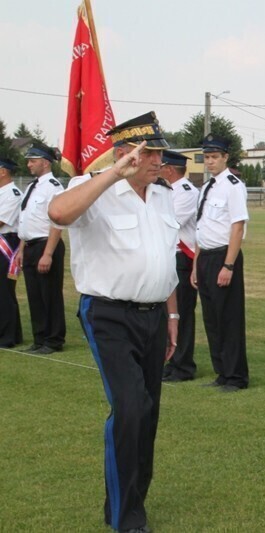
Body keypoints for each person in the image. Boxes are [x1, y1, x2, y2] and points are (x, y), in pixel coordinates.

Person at [48, 111, 179, 532]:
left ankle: (130, 499)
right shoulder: (89, 188)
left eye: (160, 151)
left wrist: (172, 314)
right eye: (150, 152)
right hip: (108, 314)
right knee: (130, 406)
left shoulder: (163, 195)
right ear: (125, 154)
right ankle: (126, 517)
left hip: (155, 314)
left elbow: (164, 260)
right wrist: (111, 175)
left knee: (148, 412)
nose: (160, 159)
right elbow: (59, 214)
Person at [192, 134, 249, 392]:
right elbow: (201, 227)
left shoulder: (233, 185)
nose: (210, 162)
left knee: (228, 318)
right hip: (206, 256)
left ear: (226, 157)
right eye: (207, 157)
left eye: (215, 157)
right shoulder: (207, 187)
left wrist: (228, 265)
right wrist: (196, 265)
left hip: (224, 255)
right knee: (212, 319)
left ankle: (236, 376)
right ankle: (221, 373)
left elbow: (237, 227)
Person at [15, 141, 66, 355]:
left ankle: (53, 340)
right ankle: (39, 337)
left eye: (32, 161)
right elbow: (25, 220)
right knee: (35, 294)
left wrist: (48, 253)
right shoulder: (31, 186)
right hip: (30, 245)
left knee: (49, 294)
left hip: (46, 244)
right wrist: (21, 249)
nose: (29, 165)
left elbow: (57, 221)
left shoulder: (53, 187)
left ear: (45, 163)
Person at [160, 150, 199, 382]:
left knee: (182, 313)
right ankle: (172, 361)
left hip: (182, 257)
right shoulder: (168, 191)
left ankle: (183, 365)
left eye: (162, 165)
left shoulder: (186, 192)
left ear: (170, 169)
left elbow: (171, 223)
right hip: (168, 256)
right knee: (168, 313)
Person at [0, 157, 23, 348]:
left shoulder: (13, 194)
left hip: (6, 244)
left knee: (4, 291)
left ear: (3, 171)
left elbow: (1, 221)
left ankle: (8, 337)